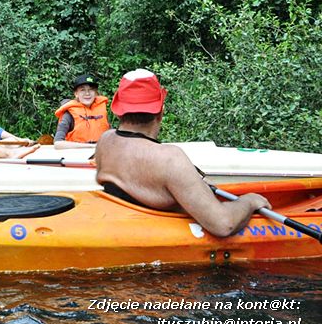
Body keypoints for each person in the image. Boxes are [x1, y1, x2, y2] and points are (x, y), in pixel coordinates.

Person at [94, 69, 271, 237]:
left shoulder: (105, 141)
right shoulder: (169, 159)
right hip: (154, 240)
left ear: (118, 113)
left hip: (124, 225)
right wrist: (250, 201)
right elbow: (224, 224)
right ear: (160, 113)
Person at [53, 74, 111, 149]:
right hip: (77, 157)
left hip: (99, 155)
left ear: (96, 93)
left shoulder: (102, 110)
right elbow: (58, 144)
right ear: (76, 94)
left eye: (91, 89)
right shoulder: (68, 114)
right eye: (82, 90)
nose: (87, 93)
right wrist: (91, 146)